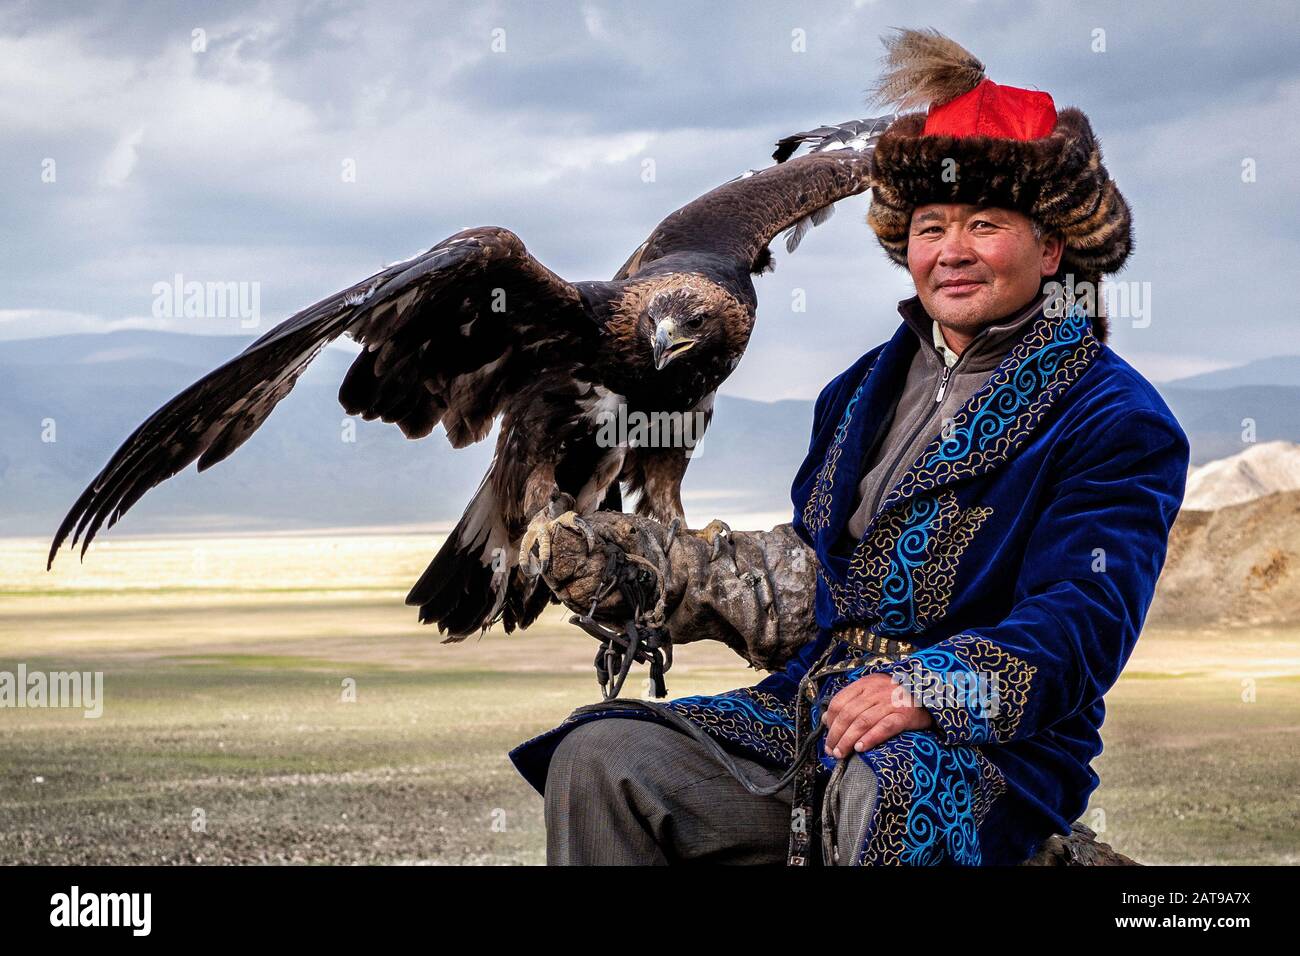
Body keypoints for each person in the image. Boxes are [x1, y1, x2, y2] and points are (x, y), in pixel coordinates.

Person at [508, 28, 1190, 866]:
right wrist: (658, 573)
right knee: (604, 761)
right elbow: (820, 576)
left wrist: (926, 691)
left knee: (884, 789)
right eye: (931, 225)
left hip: (994, 756)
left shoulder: (1115, 418)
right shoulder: (860, 389)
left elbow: (1083, 622)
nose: (953, 251)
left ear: (1051, 246)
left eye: (985, 224)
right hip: (814, 713)